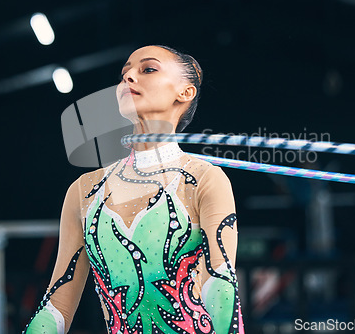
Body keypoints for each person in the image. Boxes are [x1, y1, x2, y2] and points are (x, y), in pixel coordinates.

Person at [23, 45, 245, 333]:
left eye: (148, 69)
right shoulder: (84, 190)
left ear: (185, 93)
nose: (128, 77)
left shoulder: (204, 178)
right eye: (124, 72)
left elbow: (222, 285)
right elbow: (57, 306)